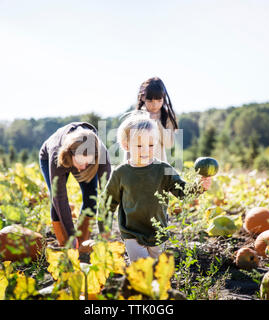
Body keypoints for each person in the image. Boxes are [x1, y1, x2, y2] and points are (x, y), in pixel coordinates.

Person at [99, 112, 211, 262]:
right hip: (132, 233)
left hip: (158, 232)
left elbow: (182, 191)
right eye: (139, 145)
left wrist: (199, 186)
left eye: (150, 145)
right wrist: (103, 229)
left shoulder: (163, 169)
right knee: (143, 271)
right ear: (126, 145)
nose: (145, 150)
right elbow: (107, 203)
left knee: (158, 272)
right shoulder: (121, 173)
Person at [39, 122, 111, 252]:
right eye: (80, 162)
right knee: (56, 204)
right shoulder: (57, 153)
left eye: (87, 162)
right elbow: (59, 198)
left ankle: (82, 244)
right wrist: (71, 235)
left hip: (81, 158)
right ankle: (66, 246)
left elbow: (108, 193)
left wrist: (105, 229)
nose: (83, 168)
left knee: (91, 198)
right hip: (50, 157)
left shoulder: (100, 153)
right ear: (71, 154)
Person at [131, 77, 179, 163]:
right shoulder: (136, 117)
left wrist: (157, 123)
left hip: (159, 166)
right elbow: (129, 146)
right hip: (139, 166)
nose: (155, 105)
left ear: (163, 98)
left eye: (159, 100)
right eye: (150, 101)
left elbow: (169, 144)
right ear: (142, 98)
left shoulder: (166, 116)